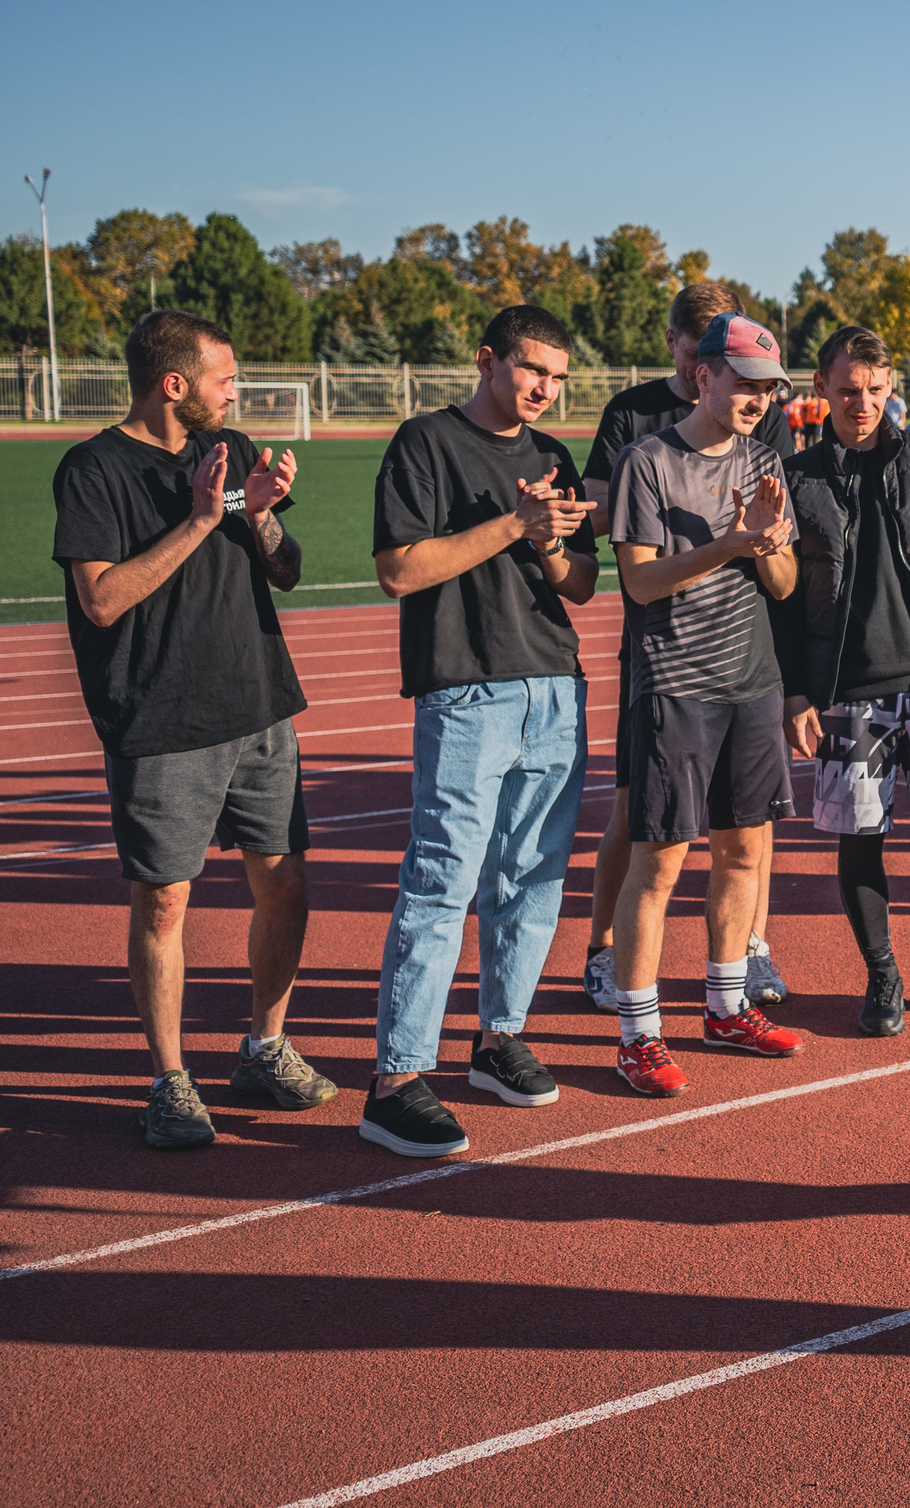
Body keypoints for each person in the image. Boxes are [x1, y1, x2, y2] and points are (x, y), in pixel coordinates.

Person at [53, 309, 325, 1150]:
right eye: (224, 377)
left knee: (285, 882)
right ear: (175, 386)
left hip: (259, 707)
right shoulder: (93, 470)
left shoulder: (234, 453)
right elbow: (101, 599)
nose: (236, 390)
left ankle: (265, 1046)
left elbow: (287, 569)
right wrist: (205, 518)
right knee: (164, 902)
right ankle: (171, 1079)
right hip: (162, 722)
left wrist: (260, 513)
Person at [361, 305, 599, 1157]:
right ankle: (394, 1079)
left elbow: (579, 587)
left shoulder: (555, 457)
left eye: (558, 377)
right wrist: (513, 524)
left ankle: (498, 1037)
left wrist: (550, 543)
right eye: (533, 369)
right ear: (487, 360)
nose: (545, 388)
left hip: (553, 687)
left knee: (531, 880)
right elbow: (398, 570)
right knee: (442, 880)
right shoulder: (424, 443)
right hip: (467, 691)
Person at [607, 313, 807, 1096]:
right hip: (677, 686)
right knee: (658, 866)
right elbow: (639, 582)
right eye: (746, 383)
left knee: (744, 854)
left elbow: (783, 586)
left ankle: (726, 1006)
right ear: (705, 376)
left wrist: (767, 543)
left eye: (769, 388)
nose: (759, 399)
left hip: (750, 682)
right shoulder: (647, 460)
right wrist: (728, 543)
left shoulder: (764, 458)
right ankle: (638, 1034)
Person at [780, 326, 910, 1037]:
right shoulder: (800, 476)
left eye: (874, 389)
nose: (861, 402)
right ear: (821, 386)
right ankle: (881, 971)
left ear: (891, 384)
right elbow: (779, 596)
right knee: (859, 836)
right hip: (847, 689)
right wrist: (796, 691)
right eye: (847, 390)